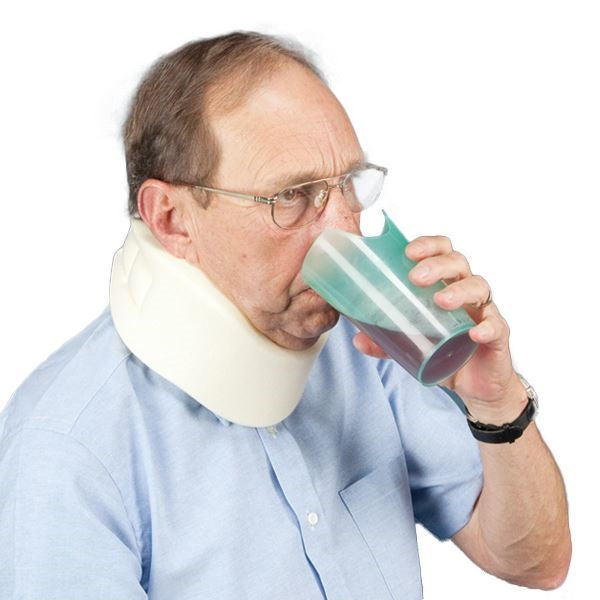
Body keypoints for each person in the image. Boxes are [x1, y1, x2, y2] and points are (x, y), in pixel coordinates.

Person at [0, 31, 570, 599]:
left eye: (347, 185)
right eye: (292, 196)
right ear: (171, 218)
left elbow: (536, 564)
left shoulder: (368, 348)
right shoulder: (67, 450)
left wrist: (496, 404)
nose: (344, 229)